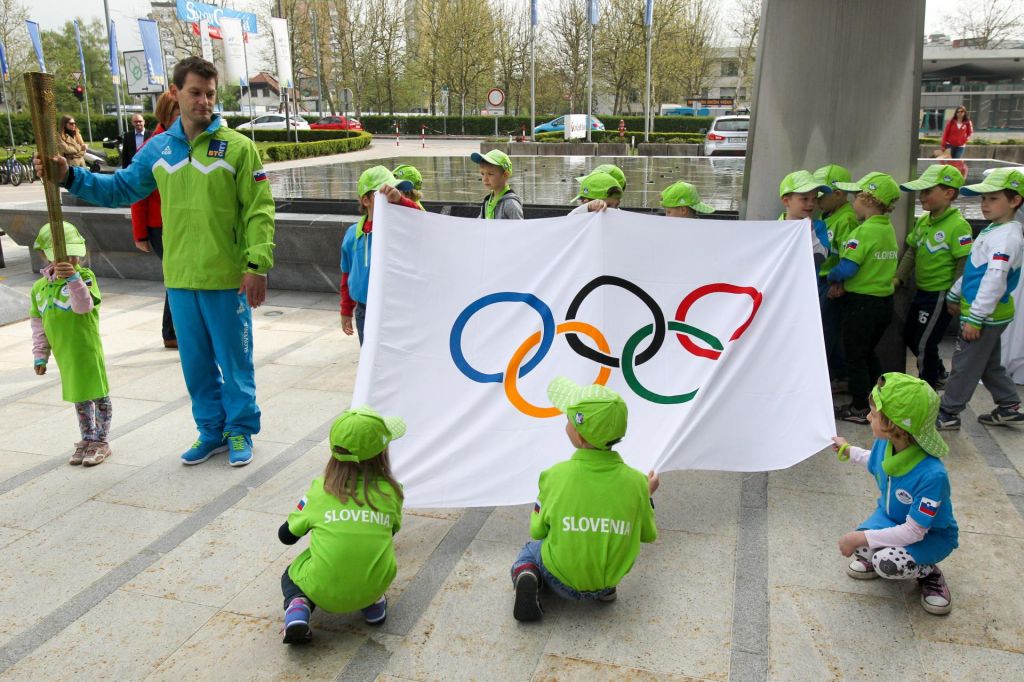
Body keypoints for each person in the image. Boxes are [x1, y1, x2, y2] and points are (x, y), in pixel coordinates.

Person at [35, 57, 276, 468]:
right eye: (195, 93)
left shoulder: (238, 147)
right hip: (180, 278)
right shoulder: (159, 149)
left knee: (235, 364)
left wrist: (257, 266)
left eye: (210, 94)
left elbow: (259, 211)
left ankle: (239, 430)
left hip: (227, 278)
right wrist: (70, 177)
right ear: (175, 94)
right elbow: (122, 188)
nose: (204, 102)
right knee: (196, 365)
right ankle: (210, 431)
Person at [510, 378, 659, 622]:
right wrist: (646, 495)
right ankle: (605, 591)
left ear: (578, 435)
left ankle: (529, 576)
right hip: (606, 581)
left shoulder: (554, 476)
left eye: (567, 418)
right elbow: (648, 534)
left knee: (529, 551)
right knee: (609, 536)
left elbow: (536, 530)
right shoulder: (637, 483)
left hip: (559, 579)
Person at [277, 406, 405, 643]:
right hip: (375, 582)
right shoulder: (393, 493)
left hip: (325, 589)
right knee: (370, 557)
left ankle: (298, 607)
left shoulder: (320, 490)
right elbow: (392, 531)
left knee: (291, 573)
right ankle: (373, 603)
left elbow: (286, 535)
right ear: (382, 453)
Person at [832, 373, 957, 615]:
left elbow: (914, 531)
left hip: (930, 535)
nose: (868, 417)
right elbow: (877, 461)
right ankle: (880, 553)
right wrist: (849, 451)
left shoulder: (933, 476)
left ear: (896, 424)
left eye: (874, 414)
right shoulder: (887, 442)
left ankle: (929, 572)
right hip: (890, 519)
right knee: (861, 544)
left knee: (886, 563)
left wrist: (861, 538)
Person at [937, 168, 1024, 429]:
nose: (985, 204)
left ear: (1015, 200)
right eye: (983, 198)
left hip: (985, 315)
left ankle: (948, 413)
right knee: (987, 362)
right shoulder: (994, 230)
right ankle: (1008, 405)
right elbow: (976, 270)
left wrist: (975, 318)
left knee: (964, 364)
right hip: (986, 313)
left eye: (993, 198)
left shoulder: (1007, 237)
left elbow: (994, 279)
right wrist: (955, 293)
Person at [30, 222, 112, 467]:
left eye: (74, 254)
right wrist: (40, 355)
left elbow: (83, 306)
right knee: (80, 397)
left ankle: (101, 441)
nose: (71, 259)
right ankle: (87, 438)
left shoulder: (85, 277)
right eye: (63, 256)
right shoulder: (39, 289)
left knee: (98, 395)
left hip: (87, 349)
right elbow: (39, 325)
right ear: (45, 256)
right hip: (65, 355)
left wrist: (73, 279)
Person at [828, 172, 901, 424]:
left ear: (868, 200)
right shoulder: (887, 229)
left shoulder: (863, 232)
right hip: (883, 303)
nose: (852, 203)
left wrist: (831, 278)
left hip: (861, 304)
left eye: (856, 197)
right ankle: (879, 398)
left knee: (855, 356)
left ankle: (860, 406)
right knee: (869, 352)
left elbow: (847, 268)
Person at [896, 165, 973, 389]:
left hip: (940, 295)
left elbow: (964, 262)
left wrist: (954, 296)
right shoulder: (924, 221)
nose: (922, 197)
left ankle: (927, 385)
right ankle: (937, 371)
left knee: (924, 341)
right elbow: (912, 251)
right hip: (921, 292)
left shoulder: (958, 226)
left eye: (927, 191)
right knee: (911, 335)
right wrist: (898, 278)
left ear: (949, 193)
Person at [340, 166, 420, 345]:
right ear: (366, 200)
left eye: (394, 191)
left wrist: (400, 201)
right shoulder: (353, 235)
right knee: (370, 360)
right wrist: (346, 309)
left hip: (397, 309)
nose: (391, 197)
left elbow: (422, 222)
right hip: (365, 311)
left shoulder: (399, 227)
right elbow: (347, 274)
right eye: (384, 194)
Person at [131, 93, 180, 349]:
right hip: (159, 226)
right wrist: (140, 234)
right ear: (166, 114)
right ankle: (171, 332)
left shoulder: (181, 140)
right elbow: (137, 195)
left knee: (178, 275)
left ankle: (173, 332)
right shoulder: (153, 146)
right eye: (178, 112)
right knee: (178, 276)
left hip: (174, 222)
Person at [814, 164, 860, 393]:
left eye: (821, 194)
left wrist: (838, 283)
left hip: (831, 284)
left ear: (839, 194)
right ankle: (839, 375)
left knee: (826, 332)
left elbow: (848, 256)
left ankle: (832, 377)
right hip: (820, 281)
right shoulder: (828, 215)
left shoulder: (847, 219)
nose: (815, 199)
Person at [778, 170, 832, 271]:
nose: (811, 203)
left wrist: (810, 232)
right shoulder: (775, 228)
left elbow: (820, 257)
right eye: (805, 199)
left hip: (809, 285)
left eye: (814, 198)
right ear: (786, 201)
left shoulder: (819, 226)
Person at [470, 150, 523, 220]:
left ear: (505, 175)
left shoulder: (511, 204)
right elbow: (479, 224)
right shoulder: (488, 200)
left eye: (490, 174)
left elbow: (519, 229)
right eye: (482, 174)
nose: (485, 179)